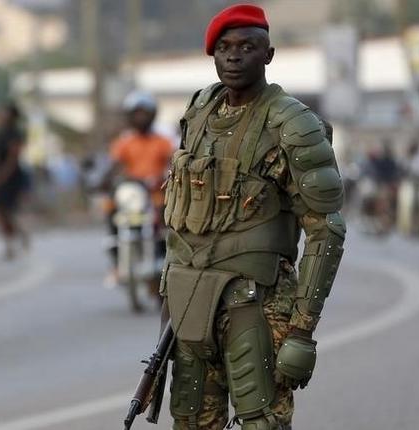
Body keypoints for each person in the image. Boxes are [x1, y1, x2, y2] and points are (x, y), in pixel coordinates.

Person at [160, 5, 346, 429]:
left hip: (257, 305)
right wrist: (169, 304)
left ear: (269, 54)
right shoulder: (201, 111)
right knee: (188, 422)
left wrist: (302, 331)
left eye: (247, 47)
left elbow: (326, 230)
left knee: (261, 421)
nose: (234, 56)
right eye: (224, 48)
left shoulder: (292, 125)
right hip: (192, 302)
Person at [104, 91, 174, 285]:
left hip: (156, 195)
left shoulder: (163, 141)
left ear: (152, 115)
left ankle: (164, 259)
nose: (140, 117)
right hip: (132, 196)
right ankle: (116, 258)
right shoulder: (124, 142)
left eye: (144, 113)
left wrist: (166, 176)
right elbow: (114, 165)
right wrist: (103, 181)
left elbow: (173, 163)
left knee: (165, 219)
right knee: (110, 208)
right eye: (136, 113)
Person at [0, 103, 30, 260]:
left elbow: (13, 159)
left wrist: (0, 177)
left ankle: (14, 241)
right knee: (1, 213)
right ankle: (11, 243)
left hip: (11, 177)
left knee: (8, 211)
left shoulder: (14, 134)